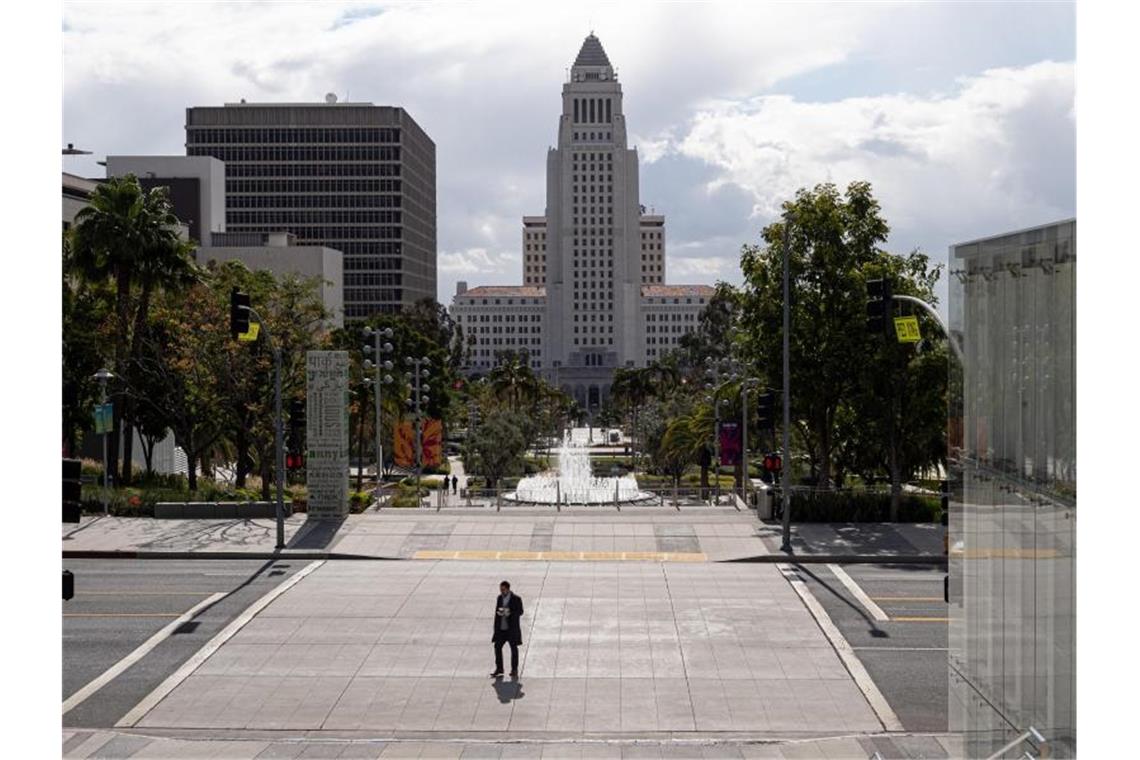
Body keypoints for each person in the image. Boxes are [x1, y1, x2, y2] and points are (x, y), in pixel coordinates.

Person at [491, 580, 523, 679]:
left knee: (514, 649)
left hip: (511, 630)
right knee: (497, 647)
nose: (501, 591)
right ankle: (499, 668)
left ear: (508, 589)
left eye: (503, 589)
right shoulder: (499, 598)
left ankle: (514, 669)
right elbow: (497, 612)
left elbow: (520, 611)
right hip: (501, 629)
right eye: (500, 589)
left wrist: (510, 613)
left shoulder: (516, 599)